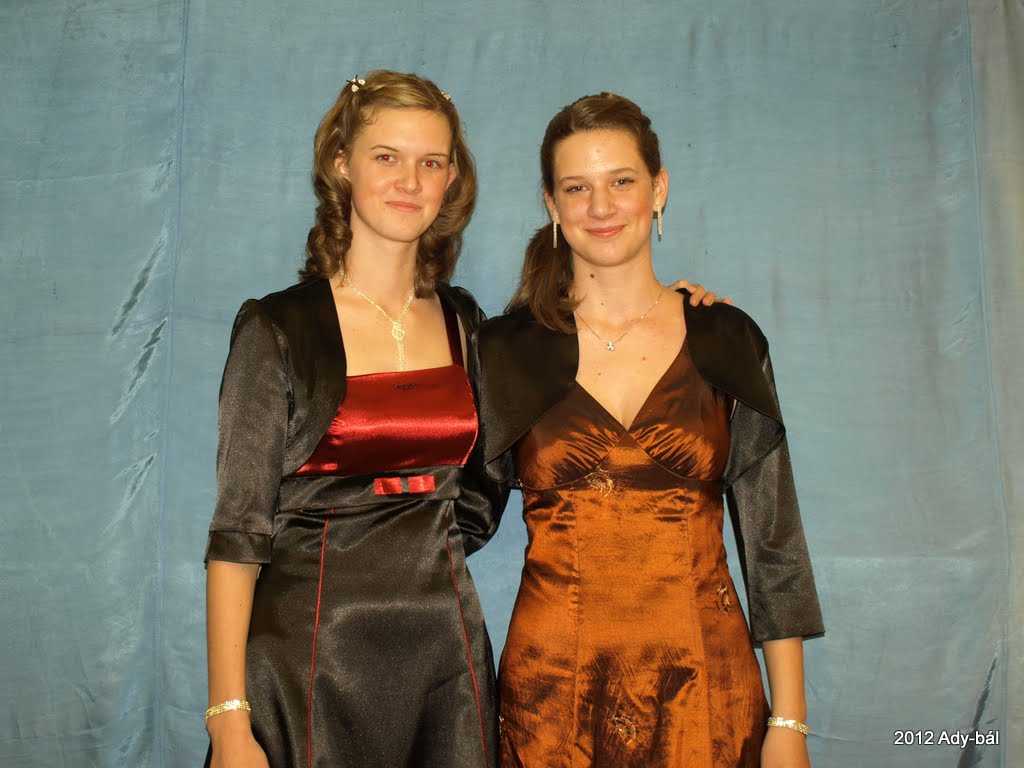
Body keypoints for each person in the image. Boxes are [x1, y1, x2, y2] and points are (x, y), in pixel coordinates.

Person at [202, 72, 723, 768]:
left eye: (431, 162)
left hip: (445, 667)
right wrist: (228, 718)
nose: (409, 181)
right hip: (303, 668)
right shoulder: (276, 329)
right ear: (341, 164)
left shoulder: (470, 326)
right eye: (386, 156)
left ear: (452, 179)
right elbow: (237, 534)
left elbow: (492, 486)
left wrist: (680, 312)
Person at [477, 93, 825, 768]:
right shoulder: (502, 351)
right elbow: (447, 518)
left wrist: (790, 720)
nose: (600, 207)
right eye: (577, 188)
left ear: (658, 190)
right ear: (551, 204)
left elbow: (773, 542)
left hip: (707, 691)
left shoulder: (726, 338)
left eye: (621, 181)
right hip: (551, 699)